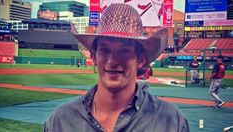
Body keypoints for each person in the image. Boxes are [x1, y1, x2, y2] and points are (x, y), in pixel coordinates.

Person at [44, 3, 189, 132]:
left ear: (140, 59)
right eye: (104, 50)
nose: (112, 61)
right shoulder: (60, 121)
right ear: (94, 56)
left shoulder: (171, 122)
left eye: (124, 51)